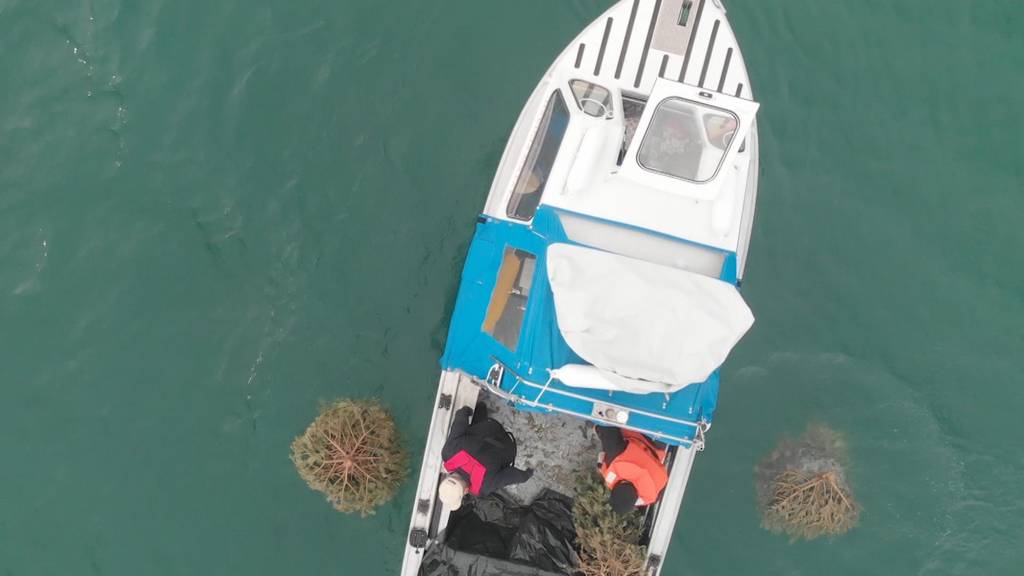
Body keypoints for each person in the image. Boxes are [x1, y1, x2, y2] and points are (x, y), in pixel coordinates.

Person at [437, 402, 533, 511]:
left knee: (497, 470)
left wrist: (527, 474)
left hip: (508, 445)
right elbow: (459, 422)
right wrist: (465, 411)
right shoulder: (448, 453)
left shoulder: (483, 487)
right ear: (446, 478)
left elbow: (512, 475)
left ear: (465, 492)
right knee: (470, 433)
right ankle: (481, 405)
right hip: (491, 427)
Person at [595, 425, 669, 515]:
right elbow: (606, 424)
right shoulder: (615, 459)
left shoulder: (651, 497)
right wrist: (597, 428)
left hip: (660, 443)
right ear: (614, 489)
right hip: (639, 429)